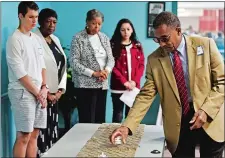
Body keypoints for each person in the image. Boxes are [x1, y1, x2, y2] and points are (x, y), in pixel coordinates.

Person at [110, 11, 224, 157]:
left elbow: (222, 81)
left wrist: (206, 110)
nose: (162, 44)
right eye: (157, 40)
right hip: (179, 124)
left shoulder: (206, 45)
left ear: (178, 30)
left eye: (165, 38)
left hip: (210, 118)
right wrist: (127, 126)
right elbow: (145, 96)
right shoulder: (154, 59)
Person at [6, 1, 48, 157]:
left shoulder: (36, 39)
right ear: (20, 16)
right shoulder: (14, 39)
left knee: (34, 134)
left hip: (38, 92)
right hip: (22, 92)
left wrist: (44, 88)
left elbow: (42, 66)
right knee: (24, 135)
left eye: (36, 17)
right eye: (31, 17)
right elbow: (20, 73)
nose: (35, 21)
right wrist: (38, 93)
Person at [69, 9, 115, 123]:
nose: (97, 27)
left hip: (101, 84)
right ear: (87, 22)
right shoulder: (78, 38)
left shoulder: (104, 37)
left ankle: (98, 141)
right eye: (94, 23)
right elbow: (74, 62)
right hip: (84, 85)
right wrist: (93, 73)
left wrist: (106, 71)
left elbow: (111, 59)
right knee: (87, 119)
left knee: (100, 119)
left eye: (99, 24)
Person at [34, 8, 67, 157]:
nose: (52, 25)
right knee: (40, 132)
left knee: (52, 129)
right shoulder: (34, 38)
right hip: (41, 95)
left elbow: (63, 66)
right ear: (40, 22)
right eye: (48, 21)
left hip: (55, 95)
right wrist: (46, 92)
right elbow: (35, 68)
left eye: (54, 22)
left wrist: (60, 91)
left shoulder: (56, 39)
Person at [110, 18, 145, 123]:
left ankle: (129, 138)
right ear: (119, 31)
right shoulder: (112, 45)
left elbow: (141, 65)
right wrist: (124, 81)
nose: (126, 32)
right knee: (118, 114)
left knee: (131, 116)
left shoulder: (137, 46)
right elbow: (112, 66)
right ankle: (115, 137)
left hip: (133, 88)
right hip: (118, 87)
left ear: (132, 30)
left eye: (128, 29)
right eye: (123, 30)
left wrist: (134, 81)